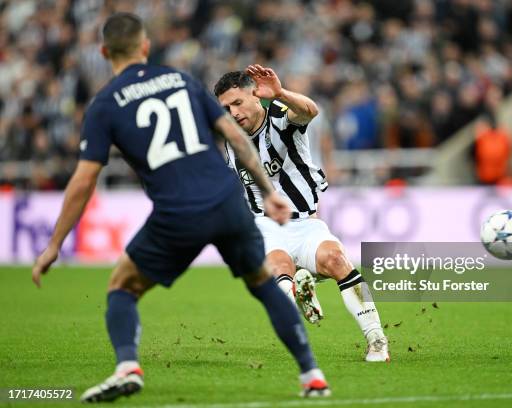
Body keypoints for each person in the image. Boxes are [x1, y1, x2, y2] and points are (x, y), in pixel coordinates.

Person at [31, 13, 330, 403]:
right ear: (145, 47)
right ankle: (312, 375)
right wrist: (267, 190)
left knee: (122, 285)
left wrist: (55, 244)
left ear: (104, 52)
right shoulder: (182, 81)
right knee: (263, 283)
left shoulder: (104, 105)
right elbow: (236, 139)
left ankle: (127, 367)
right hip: (226, 201)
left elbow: (84, 180)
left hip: (176, 212)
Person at [214, 67, 389, 362]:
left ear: (255, 95)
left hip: (305, 222)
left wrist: (280, 94)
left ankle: (376, 339)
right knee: (281, 271)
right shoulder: (229, 136)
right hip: (263, 225)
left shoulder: (281, 115)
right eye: (226, 108)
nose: (233, 112)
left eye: (237, 103)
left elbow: (309, 111)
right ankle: (297, 291)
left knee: (337, 261)